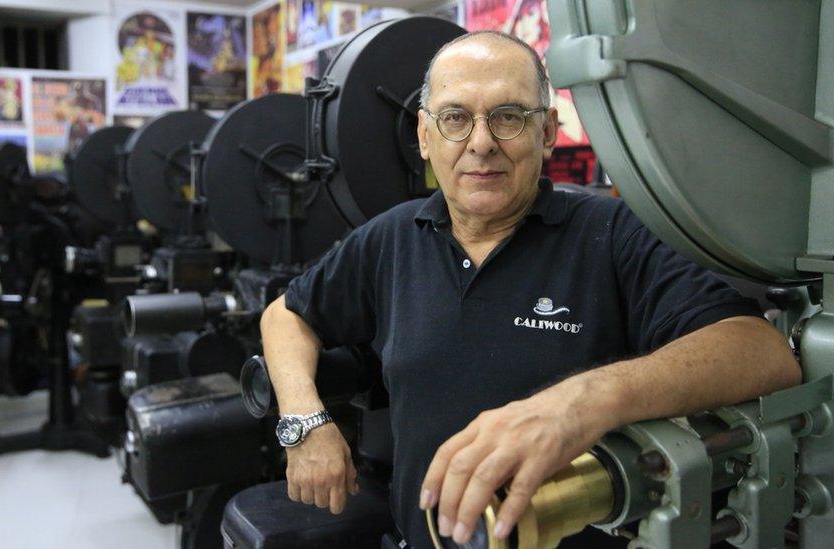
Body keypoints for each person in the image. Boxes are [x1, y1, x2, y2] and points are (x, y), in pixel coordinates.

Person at [259, 31, 801, 548]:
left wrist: (581, 401)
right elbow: (287, 315)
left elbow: (761, 351)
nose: (482, 143)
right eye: (455, 118)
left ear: (547, 133)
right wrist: (305, 422)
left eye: (509, 117)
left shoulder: (612, 232)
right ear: (425, 138)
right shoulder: (392, 237)